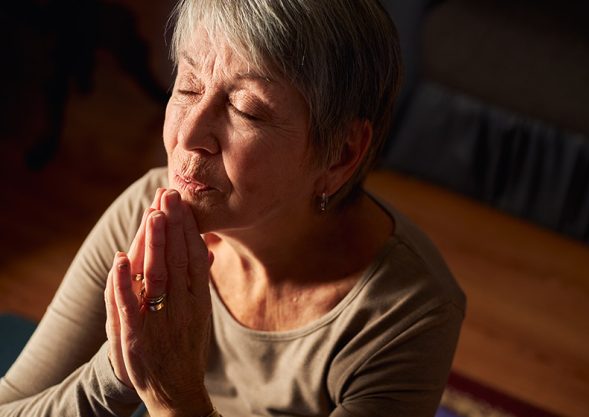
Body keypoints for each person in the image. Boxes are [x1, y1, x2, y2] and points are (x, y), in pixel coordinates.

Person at [0, 0, 465, 415]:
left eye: (246, 109)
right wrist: (122, 369)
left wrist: (175, 398)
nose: (188, 136)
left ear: (340, 155)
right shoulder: (147, 211)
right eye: (187, 86)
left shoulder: (409, 314)